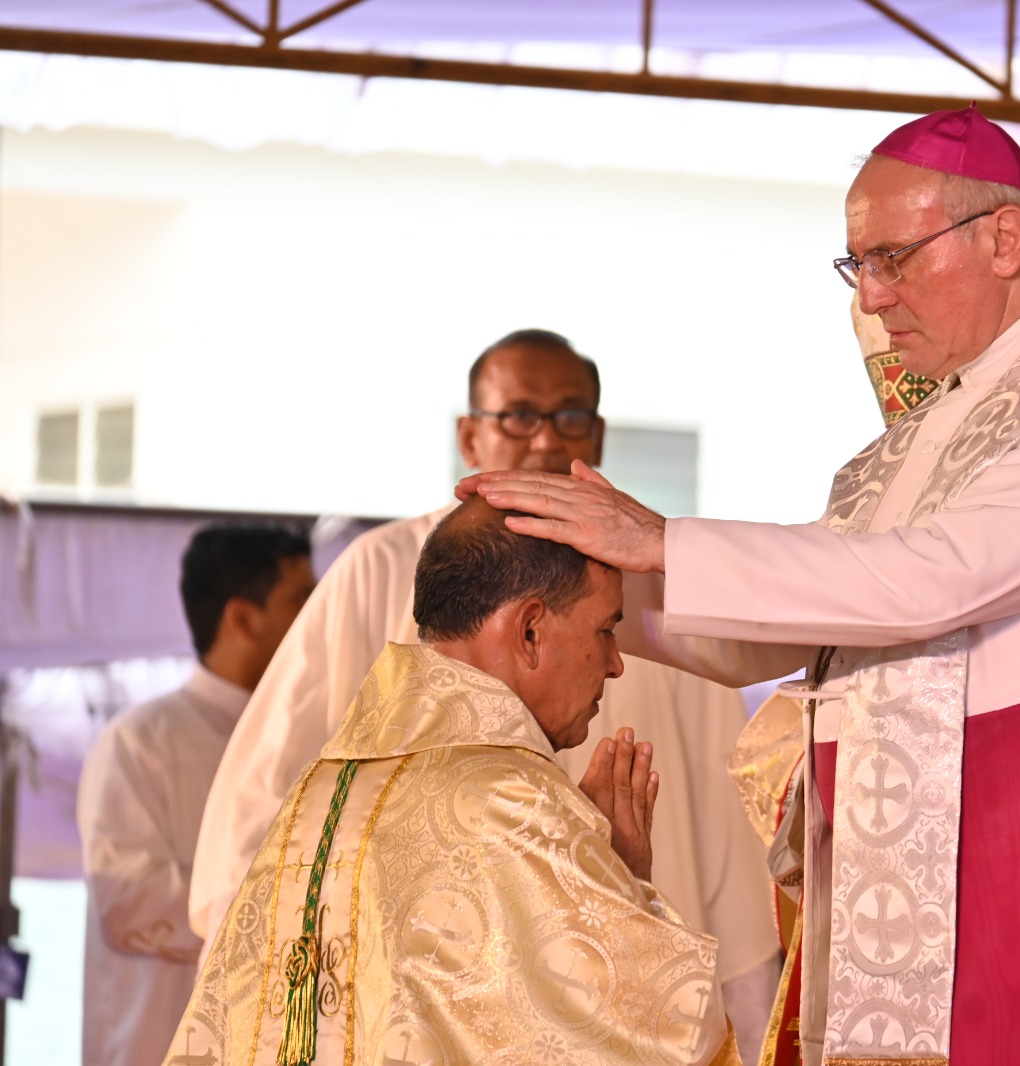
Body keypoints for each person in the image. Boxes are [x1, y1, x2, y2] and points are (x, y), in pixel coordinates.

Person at [466, 105, 1020, 1065]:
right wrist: (598, 581)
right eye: (859, 266)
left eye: (895, 258)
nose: (873, 298)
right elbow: (805, 625)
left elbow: (932, 582)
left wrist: (664, 540)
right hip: (899, 856)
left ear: (1006, 237)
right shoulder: (925, 431)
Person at [189, 329, 780, 1055]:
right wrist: (615, 892)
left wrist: (628, 900)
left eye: (568, 418)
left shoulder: (657, 585)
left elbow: (722, 838)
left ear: (595, 434)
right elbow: (260, 811)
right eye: (518, 416)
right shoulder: (380, 570)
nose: (541, 442)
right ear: (470, 436)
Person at [164, 498, 737, 1065]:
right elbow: (667, 1035)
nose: (615, 663)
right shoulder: (513, 806)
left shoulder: (320, 793)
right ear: (531, 630)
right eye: (606, 629)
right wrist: (628, 889)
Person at [77, 523, 314, 1066]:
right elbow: (128, 901)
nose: (319, 619)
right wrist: (280, 908)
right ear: (242, 618)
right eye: (302, 599)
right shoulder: (139, 742)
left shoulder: (313, 743)